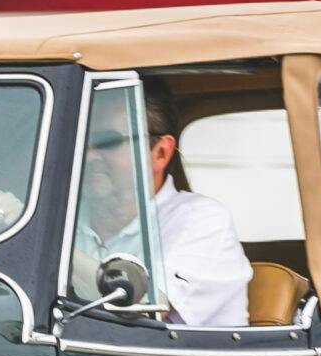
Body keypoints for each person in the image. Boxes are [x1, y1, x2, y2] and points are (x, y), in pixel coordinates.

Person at [75, 84, 252, 328]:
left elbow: (145, 307)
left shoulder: (203, 220)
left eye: (107, 142)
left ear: (160, 152)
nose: (88, 156)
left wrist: (46, 250)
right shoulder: (64, 217)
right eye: (80, 141)